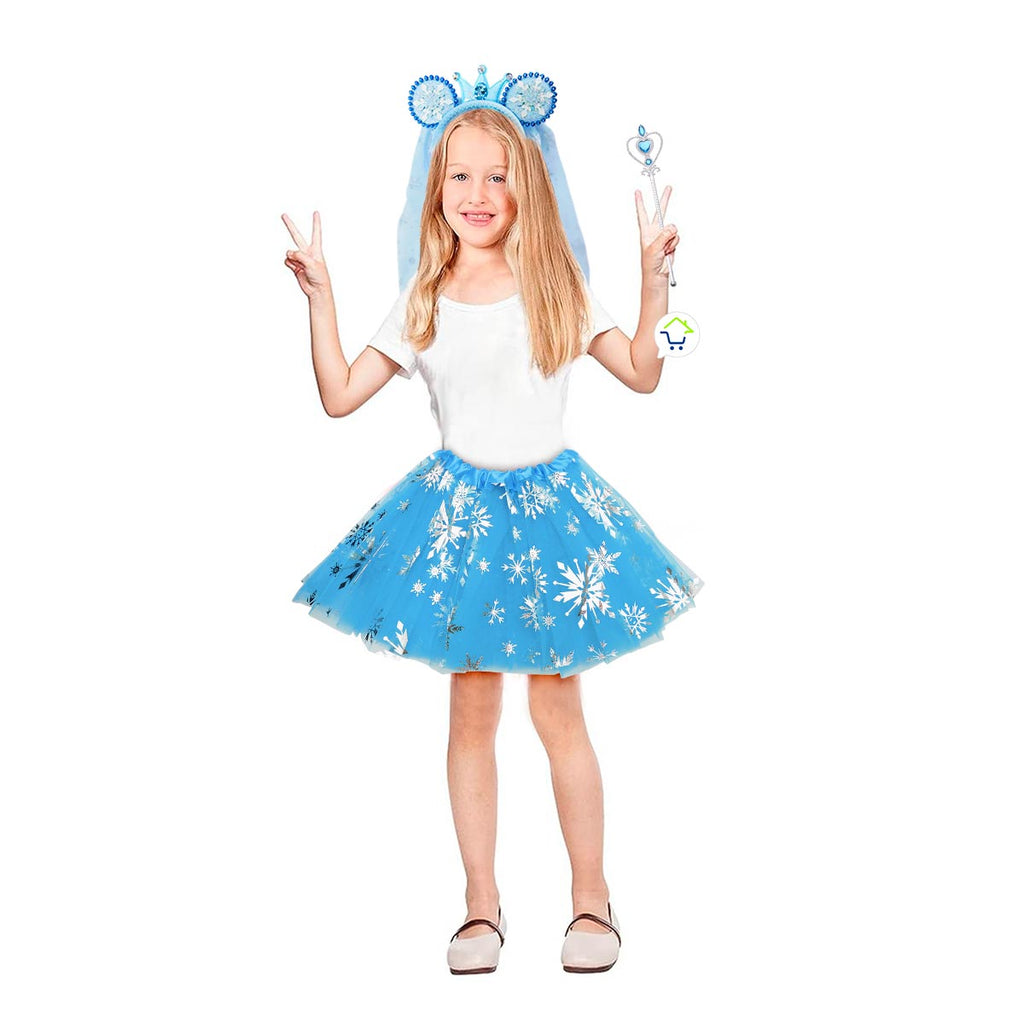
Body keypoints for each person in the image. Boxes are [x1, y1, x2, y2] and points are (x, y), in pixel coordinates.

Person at [282, 66, 704, 974]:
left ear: (528, 185)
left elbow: (644, 371)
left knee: (558, 709)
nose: (478, 193)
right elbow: (340, 395)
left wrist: (656, 283)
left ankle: (591, 898)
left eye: (498, 175)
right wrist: (321, 298)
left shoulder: (557, 286)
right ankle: (482, 907)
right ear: (436, 187)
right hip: (458, 527)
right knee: (470, 711)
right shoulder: (424, 298)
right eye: (460, 175)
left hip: (553, 521)